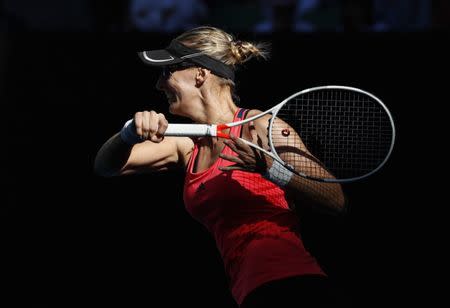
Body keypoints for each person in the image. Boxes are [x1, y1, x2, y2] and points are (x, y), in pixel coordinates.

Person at [94, 26, 346, 307]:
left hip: (295, 284)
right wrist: (128, 133)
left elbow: (335, 199)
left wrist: (270, 169)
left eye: (168, 72)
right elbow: (106, 166)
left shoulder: (260, 127)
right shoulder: (188, 145)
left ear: (200, 74)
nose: (159, 84)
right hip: (250, 291)